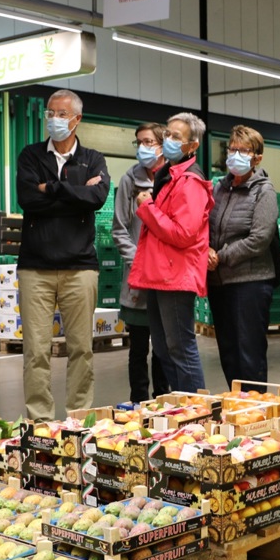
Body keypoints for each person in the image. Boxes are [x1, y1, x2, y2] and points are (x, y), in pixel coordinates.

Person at [15, 89, 110, 419]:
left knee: (82, 348)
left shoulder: (93, 158)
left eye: (61, 114)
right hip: (35, 268)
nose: (54, 119)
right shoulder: (30, 155)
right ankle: (39, 420)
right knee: (36, 350)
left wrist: (51, 188)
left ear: (77, 119)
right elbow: (27, 199)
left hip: (80, 267)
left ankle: (79, 418)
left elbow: (97, 197)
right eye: (50, 113)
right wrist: (75, 191)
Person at [129, 113, 213, 393]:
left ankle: (197, 410)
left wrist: (147, 207)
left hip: (176, 275)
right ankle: (181, 405)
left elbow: (183, 233)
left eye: (177, 137)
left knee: (180, 346)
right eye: (168, 134)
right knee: (164, 348)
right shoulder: (169, 176)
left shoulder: (190, 182)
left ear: (192, 146)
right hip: (160, 274)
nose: (169, 140)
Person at [207, 125, 278, 388]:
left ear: (257, 158)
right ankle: (236, 407)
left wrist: (221, 256)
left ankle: (256, 412)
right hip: (219, 283)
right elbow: (206, 225)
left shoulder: (264, 191)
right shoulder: (218, 189)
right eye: (232, 149)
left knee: (250, 354)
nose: (235, 154)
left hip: (251, 282)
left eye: (243, 150)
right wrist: (207, 249)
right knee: (228, 352)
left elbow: (259, 238)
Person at [112, 122, 170, 403]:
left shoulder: (173, 179)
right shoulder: (128, 180)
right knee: (137, 348)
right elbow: (119, 228)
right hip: (137, 280)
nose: (142, 148)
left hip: (166, 277)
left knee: (163, 348)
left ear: (162, 145)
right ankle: (138, 402)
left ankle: (162, 401)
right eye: (139, 142)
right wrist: (139, 263)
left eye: (148, 141)